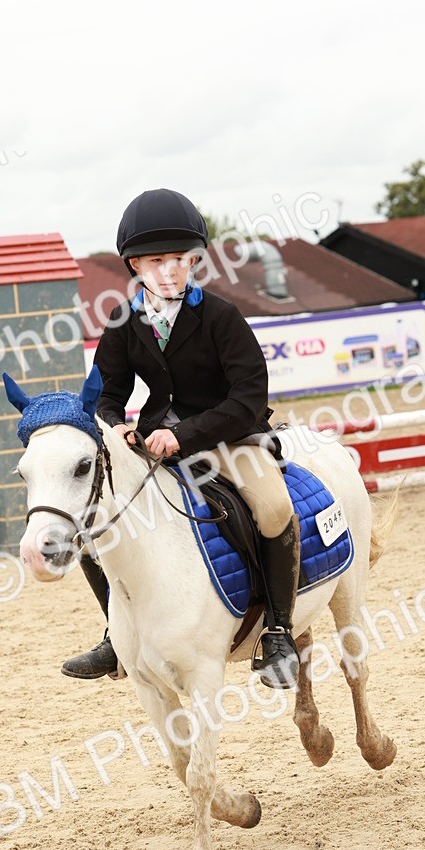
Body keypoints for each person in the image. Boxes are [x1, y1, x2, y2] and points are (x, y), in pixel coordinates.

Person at [61, 188, 301, 689]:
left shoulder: (220, 316)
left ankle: (278, 630)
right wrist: (119, 423)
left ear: (193, 260)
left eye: (178, 260)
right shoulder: (125, 321)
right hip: (153, 441)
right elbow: (106, 393)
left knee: (274, 507)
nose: (168, 271)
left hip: (230, 436)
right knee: (94, 522)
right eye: (155, 261)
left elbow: (250, 393)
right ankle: (117, 631)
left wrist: (186, 435)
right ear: (134, 265)